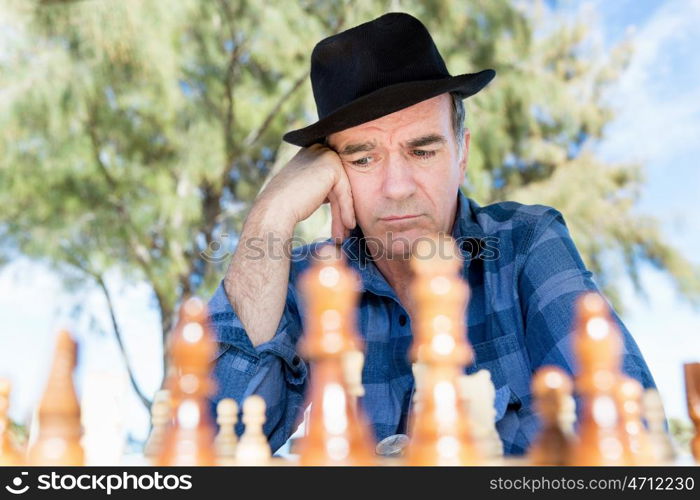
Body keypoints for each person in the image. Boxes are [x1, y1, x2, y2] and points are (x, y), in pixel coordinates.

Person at [207, 12, 655, 455]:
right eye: (363, 159)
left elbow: (632, 444)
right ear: (328, 174)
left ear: (461, 154)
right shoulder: (306, 280)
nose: (397, 187)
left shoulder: (527, 244)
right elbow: (205, 448)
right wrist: (270, 215)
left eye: (422, 151)